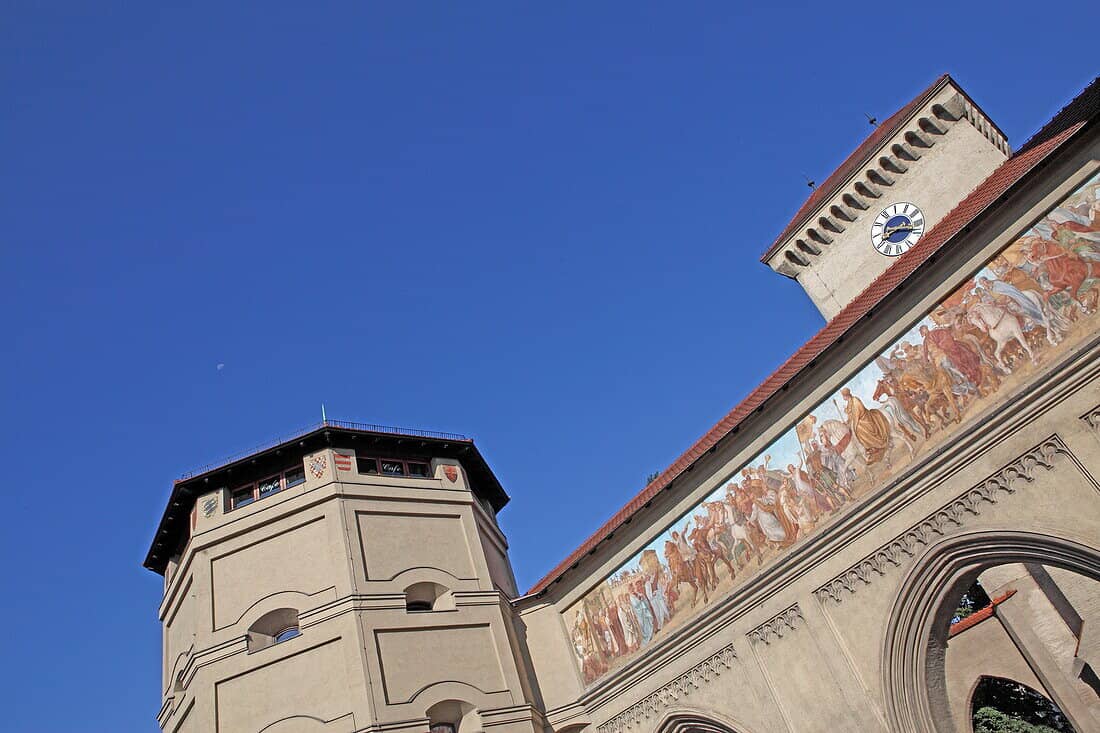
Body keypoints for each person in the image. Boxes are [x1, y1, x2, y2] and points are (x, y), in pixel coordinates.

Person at [841, 387, 892, 464]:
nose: (843, 397)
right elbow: (850, 413)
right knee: (855, 427)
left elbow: (859, 411)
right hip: (858, 419)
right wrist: (847, 418)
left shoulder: (855, 400)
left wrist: (853, 419)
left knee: (858, 429)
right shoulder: (849, 402)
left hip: (864, 417)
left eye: (843, 395)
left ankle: (876, 444)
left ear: (846, 395)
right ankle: (871, 448)